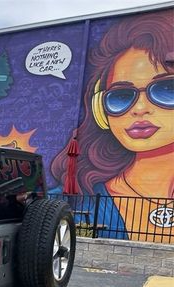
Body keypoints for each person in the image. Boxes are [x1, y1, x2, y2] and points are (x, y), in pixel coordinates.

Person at [50, 11, 173, 242]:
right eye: (121, 96)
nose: (139, 108)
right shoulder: (81, 196)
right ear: (100, 110)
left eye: (166, 90)